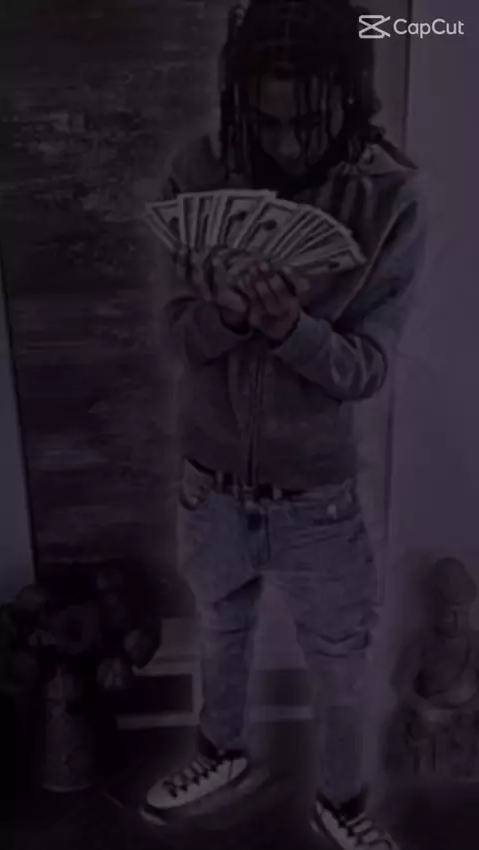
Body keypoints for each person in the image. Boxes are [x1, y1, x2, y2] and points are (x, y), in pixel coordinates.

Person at [143, 1, 426, 847]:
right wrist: (228, 318)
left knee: (340, 664)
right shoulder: (198, 170)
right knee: (220, 632)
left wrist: (291, 331)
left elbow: (365, 369)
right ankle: (220, 752)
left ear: (350, 96)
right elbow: (177, 340)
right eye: (267, 123)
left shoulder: (389, 197)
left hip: (317, 499)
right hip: (211, 481)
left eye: (308, 121)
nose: (290, 144)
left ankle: (342, 805)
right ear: (239, 102)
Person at [386, 558, 479, 780]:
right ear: (435, 610)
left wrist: (470, 704)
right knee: (413, 737)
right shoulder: (421, 642)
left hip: (467, 717)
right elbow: (401, 685)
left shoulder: (476, 642)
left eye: (463, 614)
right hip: (430, 716)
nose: (457, 621)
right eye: (450, 614)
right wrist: (423, 707)